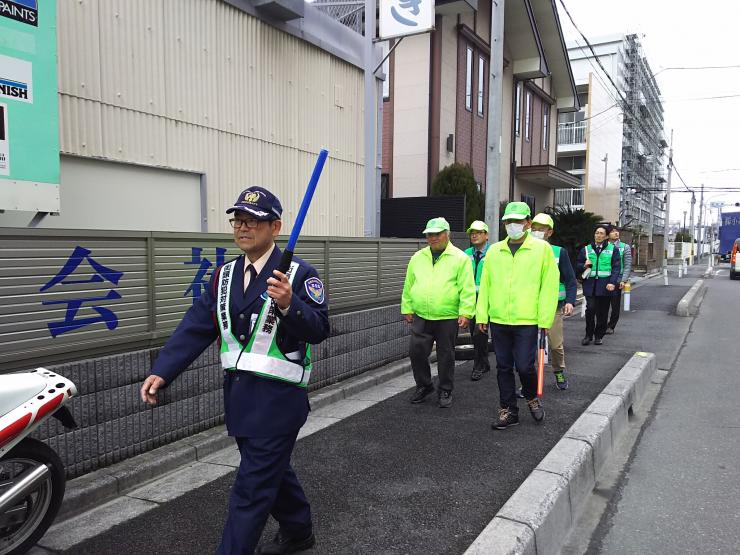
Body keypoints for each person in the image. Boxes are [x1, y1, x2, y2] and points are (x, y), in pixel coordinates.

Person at [140, 186, 329, 555]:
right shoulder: (223, 275)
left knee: (251, 489)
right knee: (272, 472)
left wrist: (290, 305)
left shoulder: (299, 273)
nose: (243, 227)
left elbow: (319, 329)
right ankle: (299, 530)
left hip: (279, 403)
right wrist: (162, 370)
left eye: (253, 221)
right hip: (240, 399)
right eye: (238, 220)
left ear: (275, 227)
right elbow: (197, 324)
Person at [476, 202, 559, 430]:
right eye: (508, 221)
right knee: (503, 366)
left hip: (528, 320)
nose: (512, 225)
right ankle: (508, 410)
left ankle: (531, 396)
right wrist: (482, 315)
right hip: (500, 319)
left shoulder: (542, 250)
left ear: (528, 223)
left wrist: (544, 320)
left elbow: (549, 286)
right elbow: (485, 285)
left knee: (524, 366)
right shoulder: (494, 251)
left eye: (518, 221)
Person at [401, 217, 476, 408]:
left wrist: (466, 312)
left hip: (447, 316)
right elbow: (409, 285)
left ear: (447, 234)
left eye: (437, 234)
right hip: (421, 315)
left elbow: (466, 288)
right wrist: (407, 307)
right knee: (416, 353)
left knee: (446, 355)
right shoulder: (418, 257)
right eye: (429, 235)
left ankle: (445, 389)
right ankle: (425, 385)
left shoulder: (460, 258)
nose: (432, 238)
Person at [530, 213, 577, 390]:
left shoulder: (559, 252)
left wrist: (570, 301)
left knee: (556, 345)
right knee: (528, 348)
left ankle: (558, 371)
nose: (536, 232)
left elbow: (570, 280)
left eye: (540, 229)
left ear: (549, 232)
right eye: (534, 229)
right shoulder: (526, 251)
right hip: (529, 306)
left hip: (553, 307)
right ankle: (529, 381)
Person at [576, 225, 620, 346]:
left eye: (601, 233)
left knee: (603, 312)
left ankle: (599, 336)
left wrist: (612, 282)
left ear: (606, 236)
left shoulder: (612, 249)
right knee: (590, 309)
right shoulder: (586, 249)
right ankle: (588, 335)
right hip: (590, 285)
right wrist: (584, 265)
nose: (598, 235)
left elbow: (616, 267)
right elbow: (578, 264)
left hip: (605, 285)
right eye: (596, 233)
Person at [464, 220, 492, 381]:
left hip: (488, 298)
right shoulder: (466, 253)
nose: (474, 235)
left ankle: (479, 364)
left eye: (478, 232)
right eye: (471, 232)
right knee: (476, 333)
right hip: (471, 298)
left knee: (480, 331)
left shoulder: (494, 252)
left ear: (486, 235)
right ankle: (483, 363)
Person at [605, 227, 632, 334]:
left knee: (615, 304)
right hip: (604, 278)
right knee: (602, 303)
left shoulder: (624, 247)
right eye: (612, 231)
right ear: (607, 235)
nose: (615, 233)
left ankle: (611, 326)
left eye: (616, 231)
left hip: (618, 279)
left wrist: (623, 280)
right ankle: (601, 324)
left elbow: (627, 264)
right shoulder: (603, 246)